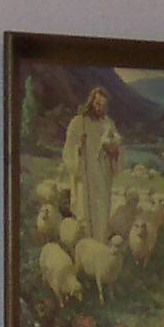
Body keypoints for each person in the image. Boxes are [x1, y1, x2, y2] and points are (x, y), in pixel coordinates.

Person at [60, 86, 122, 250]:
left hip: (103, 177)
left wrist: (113, 152)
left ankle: (100, 251)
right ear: (91, 102)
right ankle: (85, 252)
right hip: (86, 176)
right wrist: (78, 148)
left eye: (103, 105)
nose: (100, 108)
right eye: (97, 104)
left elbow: (117, 147)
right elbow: (68, 150)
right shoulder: (79, 122)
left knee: (101, 214)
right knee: (85, 215)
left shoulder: (108, 124)